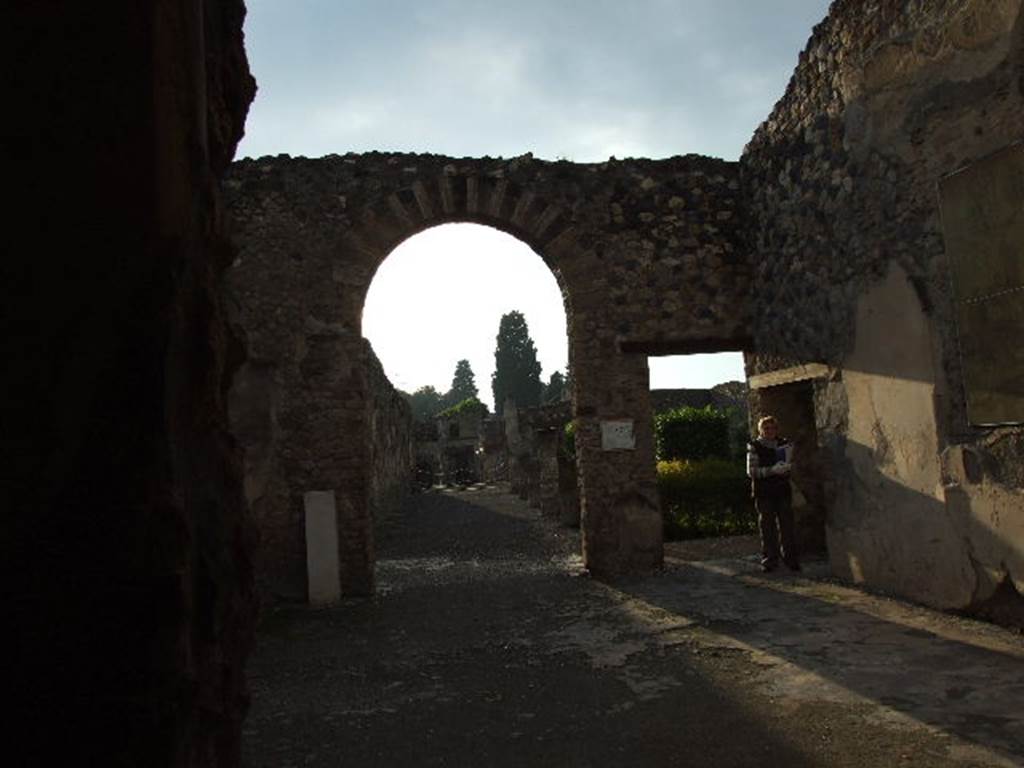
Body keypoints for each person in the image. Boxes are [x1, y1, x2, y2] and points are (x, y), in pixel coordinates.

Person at [747, 415, 800, 573]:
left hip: (782, 489)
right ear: (761, 430)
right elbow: (752, 471)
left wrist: (787, 468)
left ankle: (791, 559)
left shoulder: (784, 444)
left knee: (787, 526)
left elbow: (792, 464)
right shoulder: (754, 446)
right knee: (767, 527)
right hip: (764, 492)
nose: (770, 431)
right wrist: (772, 470)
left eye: (773, 428)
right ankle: (770, 560)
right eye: (766, 428)